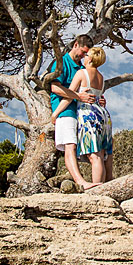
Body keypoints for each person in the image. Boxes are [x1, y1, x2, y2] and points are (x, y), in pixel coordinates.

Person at [49, 34, 104, 190]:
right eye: (83, 52)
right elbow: (55, 88)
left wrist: (100, 99)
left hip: (83, 111)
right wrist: (77, 96)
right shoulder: (62, 63)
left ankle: (97, 183)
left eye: (86, 54)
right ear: (75, 45)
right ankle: (80, 182)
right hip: (65, 109)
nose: (83, 56)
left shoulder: (83, 68)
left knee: (93, 151)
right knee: (70, 145)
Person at [69, 46, 113, 186]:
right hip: (103, 114)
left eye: (86, 54)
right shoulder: (101, 77)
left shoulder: (82, 73)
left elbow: (70, 94)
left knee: (95, 156)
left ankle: (97, 189)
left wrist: (56, 113)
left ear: (91, 58)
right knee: (102, 154)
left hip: (88, 114)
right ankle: (104, 186)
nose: (84, 56)